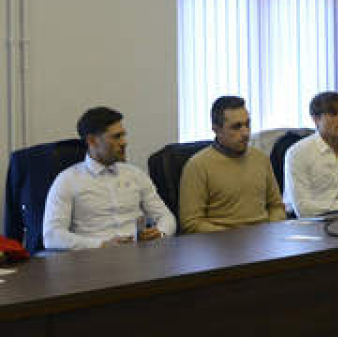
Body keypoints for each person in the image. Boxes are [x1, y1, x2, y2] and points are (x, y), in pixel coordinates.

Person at [43, 106, 176, 250]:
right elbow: (52, 236)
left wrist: (161, 233)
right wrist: (101, 245)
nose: (124, 142)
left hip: (138, 256)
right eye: (116, 137)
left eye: (123, 135)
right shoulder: (67, 181)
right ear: (92, 141)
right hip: (93, 260)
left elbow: (166, 217)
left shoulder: (135, 174)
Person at [179, 96, 286, 233]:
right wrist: (234, 238)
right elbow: (191, 223)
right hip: (221, 243)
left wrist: (268, 230)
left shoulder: (260, 158)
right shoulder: (197, 166)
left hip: (262, 240)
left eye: (247, 124)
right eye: (236, 127)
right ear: (216, 129)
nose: (246, 133)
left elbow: (276, 207)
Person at [284, 91, 338, 217]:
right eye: (333, 114)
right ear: (316, 119)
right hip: (304, 224)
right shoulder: (297, 153)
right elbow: (303, 210)